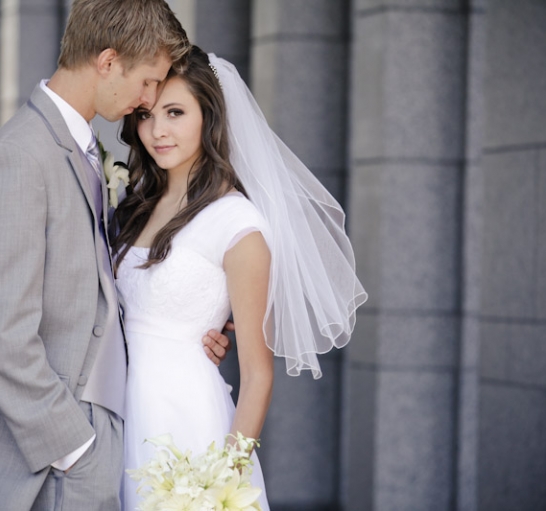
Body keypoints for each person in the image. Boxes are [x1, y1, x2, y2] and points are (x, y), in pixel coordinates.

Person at [0, 2, 232, 510]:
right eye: (147, 82)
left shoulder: (80, 148)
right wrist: (76, 449)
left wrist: (191, 323)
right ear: (107, 61)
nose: (148, 101)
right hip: (39, 469)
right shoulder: (22, 156)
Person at [114, 46, 367, 510]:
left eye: (176, 112)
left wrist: (219, 486)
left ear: (208, 118)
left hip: (188, 424)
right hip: (123, 414)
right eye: (147, 115)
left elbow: (257, 375)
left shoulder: (237, 224)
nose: (158, 130)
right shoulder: (136, 205)